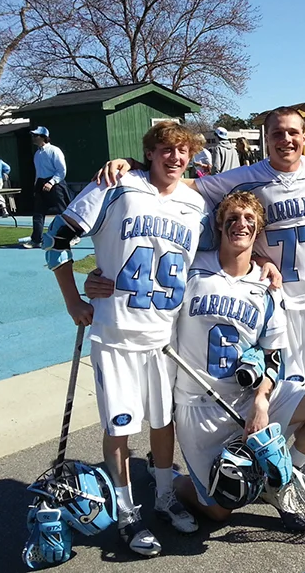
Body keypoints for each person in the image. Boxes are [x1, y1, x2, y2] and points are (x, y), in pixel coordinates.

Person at [95, 107, 305, 498]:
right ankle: (295, 463)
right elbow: (183, 181)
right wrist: (135, 166)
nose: (285, 140)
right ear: (266, 136)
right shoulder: (247, 176)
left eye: (293, 132)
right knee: (288, 390)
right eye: (277, 133)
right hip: (282, 304)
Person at [44, 120, 210, 556]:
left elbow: (214, 254)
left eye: (183, 152)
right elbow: (55, 239)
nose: (175, 158)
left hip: (164, 335)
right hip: (116, 333)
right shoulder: (117, 184)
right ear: (150, 153)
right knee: (120, 426)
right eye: (166, 150)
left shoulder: (195, 204)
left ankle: (164, 497)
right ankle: (126, 511)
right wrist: (74, 299)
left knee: (161, 422)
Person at [172, 191, 305, 531]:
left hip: (246, 397)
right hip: (199, 406)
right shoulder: (193, 269)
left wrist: (261, 401)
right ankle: (175, 482)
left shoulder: (267, 286)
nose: (241, 224)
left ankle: (279, 481)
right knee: (221, 512)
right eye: (233, 218)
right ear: (219, 225)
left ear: (257, 232)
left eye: (249, 220)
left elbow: (272, 353)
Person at [24, 127, 71, 249]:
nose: (33, 138)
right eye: (33, 135)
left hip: (56, 184)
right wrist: (36, 186)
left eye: (36, 135)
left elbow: (61, 170)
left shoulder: (54, 150)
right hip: (41, 183)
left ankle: (72, 236)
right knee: (38, 213)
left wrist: (51, 182)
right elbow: (38, 172)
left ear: (43, 137)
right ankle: (36, 240)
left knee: (63, 212)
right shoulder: (37, 154)